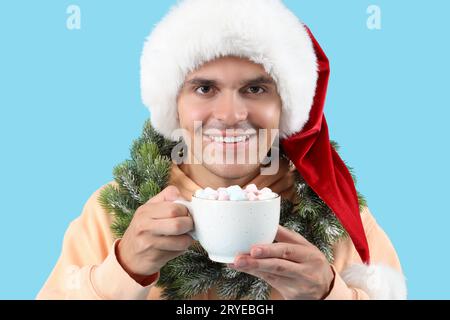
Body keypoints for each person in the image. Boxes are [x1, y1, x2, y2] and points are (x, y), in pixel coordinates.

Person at [37, 0, 406, 300]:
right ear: (174, 104)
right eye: (204, 89)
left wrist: (328, 294)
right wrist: (123, 270)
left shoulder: (336, 217)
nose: (230, 115)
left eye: (256, 89)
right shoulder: (112, 210)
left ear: (286, 106)